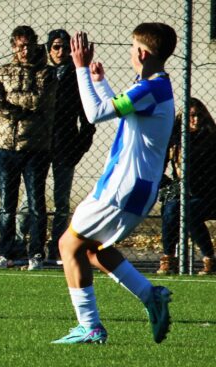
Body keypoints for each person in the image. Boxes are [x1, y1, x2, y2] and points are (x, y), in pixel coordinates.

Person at [53, 23, 177, 344]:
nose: (130, 53)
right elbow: (125, 112)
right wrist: (101, 82)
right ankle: (151, 295)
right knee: (94, 251)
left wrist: (80, 68)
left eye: (131, 47)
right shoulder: (154, 87)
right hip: (134, 188)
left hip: (122, 187)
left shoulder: (150, 89)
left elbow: (95, 114)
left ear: (141, 52)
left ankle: (90, 326)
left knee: (68, 245)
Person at [15, 29, 96, 265]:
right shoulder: (38, 71)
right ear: (48, 49)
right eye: (56, 47)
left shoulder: (77, 74)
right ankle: (20, 243)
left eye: (65, 47)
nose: (61, 52)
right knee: (30, 200)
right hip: (38, 144)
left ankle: (57, 246)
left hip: (65, 145)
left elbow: (87, 114)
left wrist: (81, 145)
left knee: (61, 201)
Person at [0, 25, 57, 270]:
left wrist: (11, 104)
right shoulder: (2, 71)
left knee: (36, 203)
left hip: (36, 145)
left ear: (35, 44)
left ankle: (36, 252)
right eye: (19, 45)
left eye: (27, 45)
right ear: (13, 46)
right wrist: (17, 110)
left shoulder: (46, 73)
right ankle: (7, 252)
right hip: (5, 145)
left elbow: (40, 100)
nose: (24, 50)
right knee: (7, 203)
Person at [157, 97, 216, 275]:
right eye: (192, 116)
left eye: (199, 115)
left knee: (188, 211)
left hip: (209, 194)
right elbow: (158, 167)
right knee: (171, 208)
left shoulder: (212, 139)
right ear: (183, 118)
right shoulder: (175, 140)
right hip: (184, 192)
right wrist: (167, 183)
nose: (196, 120)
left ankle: (210, 260)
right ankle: (169, 259)